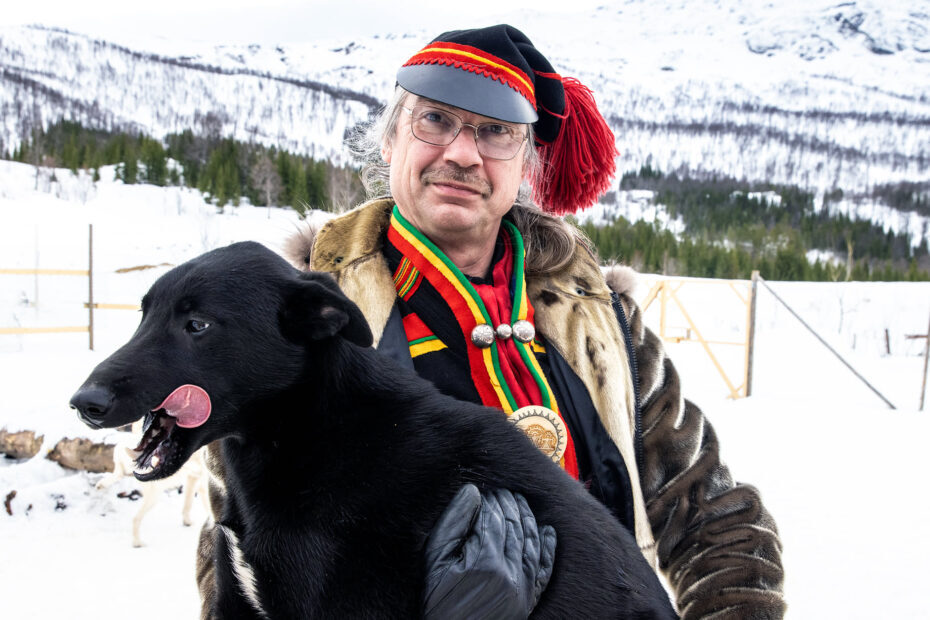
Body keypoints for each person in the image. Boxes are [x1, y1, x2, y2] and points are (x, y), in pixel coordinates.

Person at [201, 24, 786, 619]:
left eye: (496, 132)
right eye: (434, 120)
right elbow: (236, 551)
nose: (461, 153)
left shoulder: (600, 320)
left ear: (526, 164)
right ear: (389, 143)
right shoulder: (299, 320)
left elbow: (714, 516)